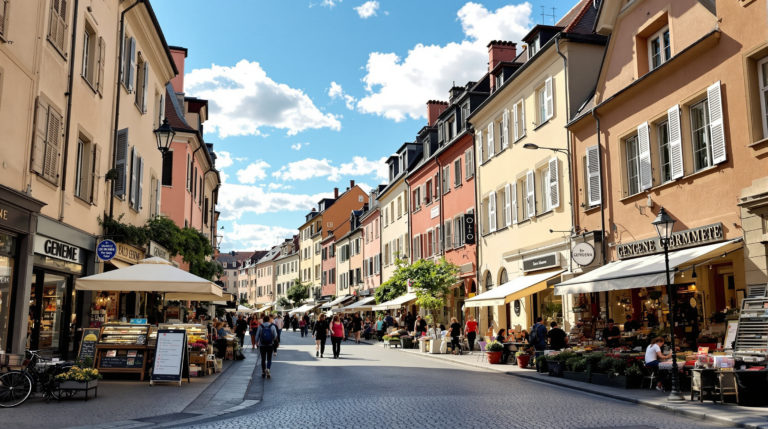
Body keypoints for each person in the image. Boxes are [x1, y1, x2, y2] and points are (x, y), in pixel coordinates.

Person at [255, 314, 278, 379]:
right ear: (268, 320)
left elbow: (257, 335)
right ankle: (268, 369)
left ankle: (263, 371)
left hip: (262, 345)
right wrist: (274, 343)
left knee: (263, 359)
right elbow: (275, 336)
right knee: (269, 358)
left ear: (263, 320)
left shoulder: (260, 326)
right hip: (270, 345)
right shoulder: (272, 326)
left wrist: (256, 342)